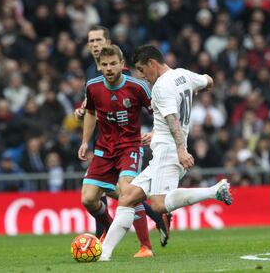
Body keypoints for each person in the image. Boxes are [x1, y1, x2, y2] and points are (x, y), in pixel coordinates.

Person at [99, 45, 232, 261]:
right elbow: (208, 80)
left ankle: (214, 191)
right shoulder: (183, 75)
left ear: (152, 63)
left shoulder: (161, 87)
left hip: (168, 152)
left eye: (142, 70)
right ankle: (104, 255)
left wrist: (181, 150)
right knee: (127, 197)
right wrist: (157, 132)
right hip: (164, 147)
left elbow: (173, 120)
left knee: (158, 204)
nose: (142, 76)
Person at [75, 25, 170, 248]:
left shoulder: (136, 86)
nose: (108, 68)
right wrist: (84, 141)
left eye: (99, 40)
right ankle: (112, 226)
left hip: (129, 147)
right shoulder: (92, 82)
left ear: (121, 65)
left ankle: (145, 246)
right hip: (104, 148)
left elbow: (157, 110)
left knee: (126, 191)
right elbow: (91, 111)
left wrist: (155, 132)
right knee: (89, 199)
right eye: (91, 41)